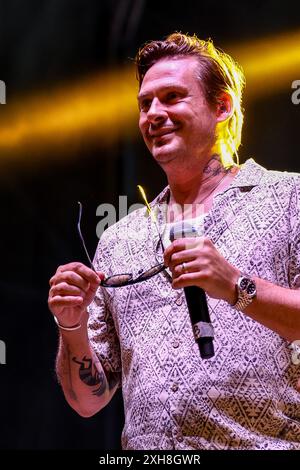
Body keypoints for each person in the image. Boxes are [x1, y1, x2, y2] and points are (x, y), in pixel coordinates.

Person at [48, 32, 300, 450]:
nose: (154, 114)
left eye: (171, 97)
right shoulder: (119, 238)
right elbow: (87, 402)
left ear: (222, 107)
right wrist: (71, 324)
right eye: (145, 103)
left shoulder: (290, 198)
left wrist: (236, 287)